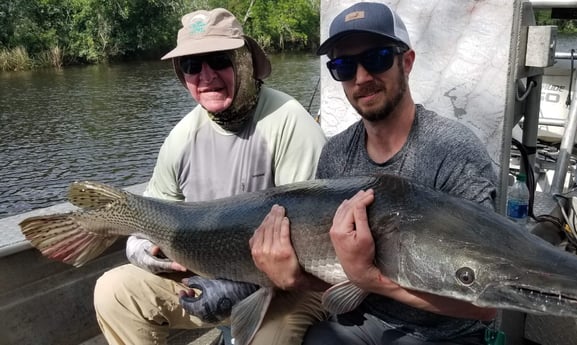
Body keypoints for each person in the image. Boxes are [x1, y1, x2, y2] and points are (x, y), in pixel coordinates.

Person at [92, 8, 327, 345]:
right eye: (191, 66)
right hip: (206, 274)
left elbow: (314, 245)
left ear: (244, 61)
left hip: (291, 287)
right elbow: (153, 213)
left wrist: (234, 287)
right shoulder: (181, 138)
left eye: (218, 60)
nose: (205, 75)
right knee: (115, 292)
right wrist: (141, 247)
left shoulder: (290, 123)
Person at [301, 2, 500, 344]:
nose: (362, 78)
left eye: (377, 58)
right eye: (345, 66)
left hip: (445, 332)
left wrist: (372, 279)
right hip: (362, 320)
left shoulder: (454, 150)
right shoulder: (335, 155)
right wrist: (290, 276)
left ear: (406, 62)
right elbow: (336, 272)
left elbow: (485, 305)